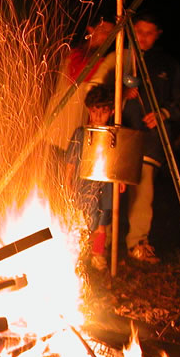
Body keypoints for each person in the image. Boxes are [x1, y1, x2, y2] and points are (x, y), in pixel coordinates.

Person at [104, 13, 180, 264]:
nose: (143, 37)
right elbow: (101, 94)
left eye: (149, 33)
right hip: (120, 133)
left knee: (142, 193)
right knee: (109, 189)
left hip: (149, 139)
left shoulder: (167, 65)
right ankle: (100, 241)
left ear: (157, 34)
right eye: (139, 31)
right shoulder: (120, 58)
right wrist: (120, 95)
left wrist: (163, 114)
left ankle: (137, 242)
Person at [64, 84, 123, 272]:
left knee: (102, 222)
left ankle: (97, 254)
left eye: (103, 112)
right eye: (95, 111)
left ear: (111, 112)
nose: (98, 117)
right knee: (83, 219)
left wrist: (121, 180)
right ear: (89, 110)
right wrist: (68, 181)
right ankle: (76, 256)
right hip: (84, 184)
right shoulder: (81, 133)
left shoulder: (113, 135)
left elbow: (119, 160)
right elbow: (71, 161)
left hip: (106, 185)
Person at [43, 16, 116, 153]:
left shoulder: (106, 61)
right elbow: (76, 76)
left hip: (82, 129)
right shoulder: (76, 54)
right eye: (103, 30)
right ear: (91, 30)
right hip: (61, 128)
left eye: (110, 33)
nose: (106, 36)